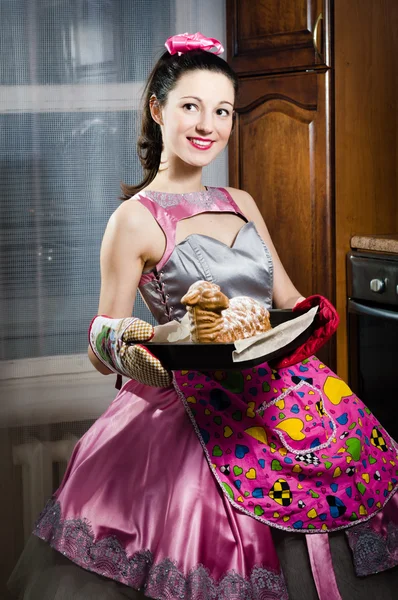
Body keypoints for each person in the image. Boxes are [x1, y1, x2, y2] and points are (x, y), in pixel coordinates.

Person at [9, 32, 398, 600]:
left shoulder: (241, 201)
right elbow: (100, 341)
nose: (207, 125)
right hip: (187, 402)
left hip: (280, 390)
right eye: (191, 106)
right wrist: (146, 343)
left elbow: (284, 299)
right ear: (157, 109)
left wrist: (311, 316)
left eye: (222, 111)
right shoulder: (133, 219)